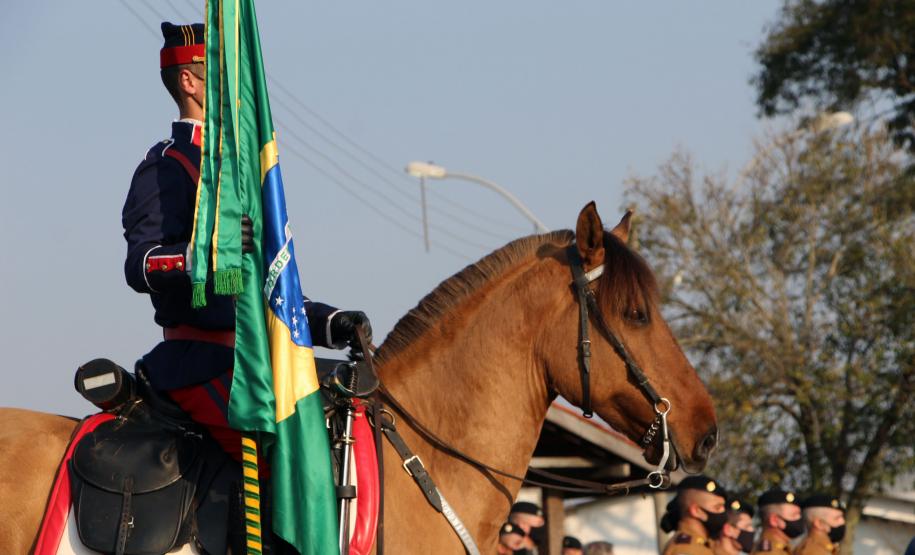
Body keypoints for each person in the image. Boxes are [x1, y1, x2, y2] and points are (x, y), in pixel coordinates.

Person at [122, 21, 371, 462]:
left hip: (260, 358)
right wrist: (207, 252)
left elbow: (267, 284)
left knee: (354, 425)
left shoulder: (244, 171)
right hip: (200, 363)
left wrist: (329, 322)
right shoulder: (167, 165)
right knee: (294, 455)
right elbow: (141, 266)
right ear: (189, 81)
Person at [660, 475, 728, 555]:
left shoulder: (705, 543)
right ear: (696, 511)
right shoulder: (686, 549)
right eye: (717, 507)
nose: (723, 511)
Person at [752, 488, 803, 555]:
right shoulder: (769, 552)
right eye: (793, 515)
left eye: (799, 515)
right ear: (774, 520)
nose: (799, 519)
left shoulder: (783, 548)